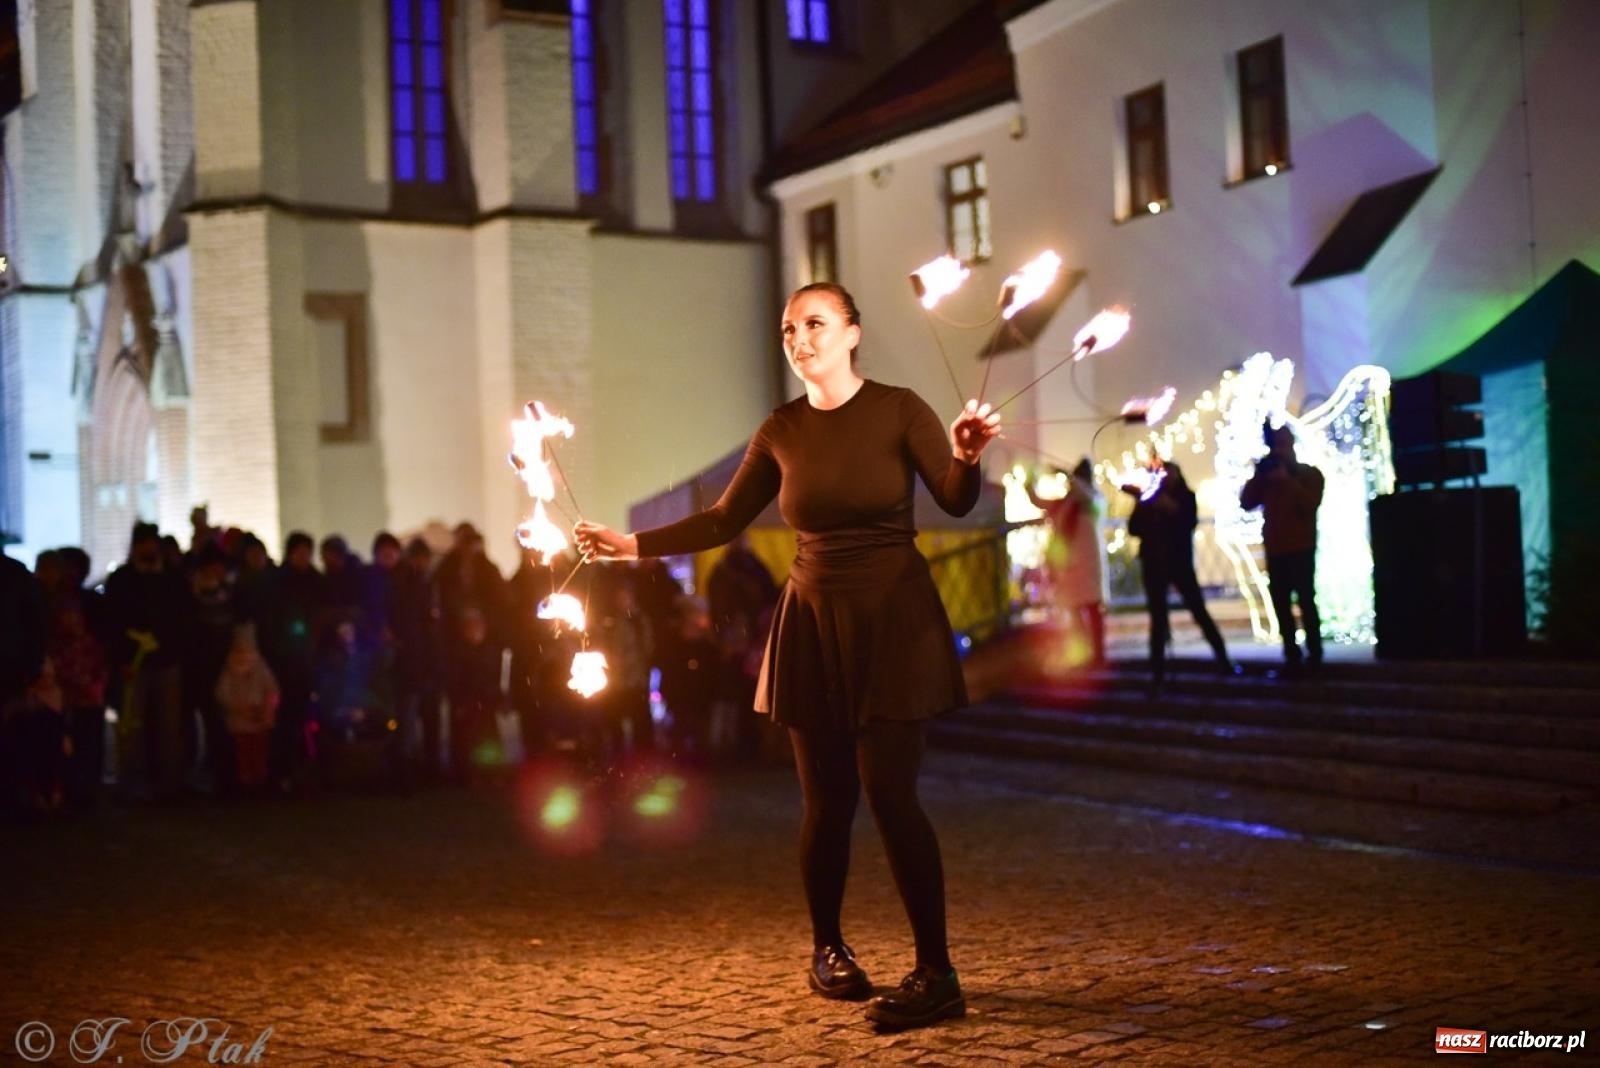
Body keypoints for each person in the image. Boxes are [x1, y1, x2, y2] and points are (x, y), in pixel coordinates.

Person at [575, 282, 1000, 1032]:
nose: (799, 338)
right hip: (811, 621)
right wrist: (632, 545)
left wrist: (966, 458)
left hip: (893, 621)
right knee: (826, 801)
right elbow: (721, 519)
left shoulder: (900, 409)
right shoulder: (781, 429)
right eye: (788, 329)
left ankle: (937, 972)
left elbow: (956, 497)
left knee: (892, 795)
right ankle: (828, 949)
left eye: (815, 324)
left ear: (851, 334)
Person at [1123, 460, 1232, 686]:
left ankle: (1224, 660)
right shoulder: (1148, 498)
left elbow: (1186, 521)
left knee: (1198, 610)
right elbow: (1133, 528)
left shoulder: (1185, 496)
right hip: (1154, 563)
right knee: (1158, 618)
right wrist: (1144, 503)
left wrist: (1158, 503)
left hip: (1179, 562)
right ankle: (1158, 673)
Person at [1241, 423, 1325, 670]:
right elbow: (1246, 502)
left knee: (1306, 600)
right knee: (1281, 603)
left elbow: (1310, 505)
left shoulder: (1310, 474)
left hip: (1302, 547)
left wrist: (1287, 480)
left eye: (1283, 445)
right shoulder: (1268, 478)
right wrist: (1260, 475)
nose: (1279, 450)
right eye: (1276, 445)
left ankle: (1315, 652)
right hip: (1276, 549)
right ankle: (1291, 652)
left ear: (1292, 446)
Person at [1026, 458, 1107, 667]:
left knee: (1092, 610)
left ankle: (1098, 654)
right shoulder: (1065, 503)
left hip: (1088, 565)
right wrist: (1028, 481)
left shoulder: (1092, 500)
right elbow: (1038, 501)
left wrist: (1066, 473)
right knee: (1075, 611)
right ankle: (1083, 654)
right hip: (1070, 568)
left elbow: (1084, 493)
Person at [214, 625, 279, 793]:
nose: (244, 656)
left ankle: (259, 781)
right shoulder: (230, 671)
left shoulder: (261, 670)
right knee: (242, 754)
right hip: (240, 721)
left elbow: (272, 690)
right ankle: (246, 783)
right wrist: (237, 707)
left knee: (259, 752)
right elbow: (222, 694)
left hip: (260, 719)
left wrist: (267, 709)